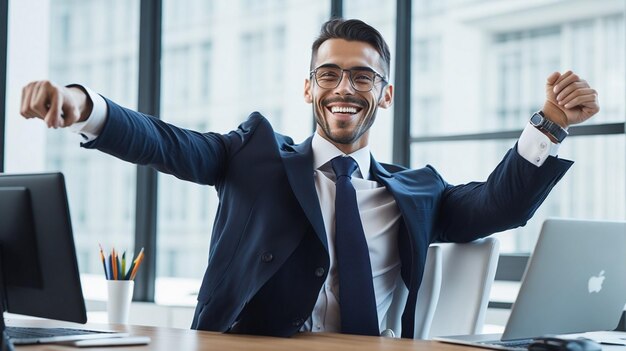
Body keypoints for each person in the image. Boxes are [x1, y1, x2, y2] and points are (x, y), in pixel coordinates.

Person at [20, 18, 598, 338]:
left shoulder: (418, 192)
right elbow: (170, 144)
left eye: (363, 77)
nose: (344, 87)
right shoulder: (254, 156)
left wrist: (547, 124)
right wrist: (85, 105)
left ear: (386, 94)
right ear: (308, 88)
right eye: (328, 74)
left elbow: (499, 207)